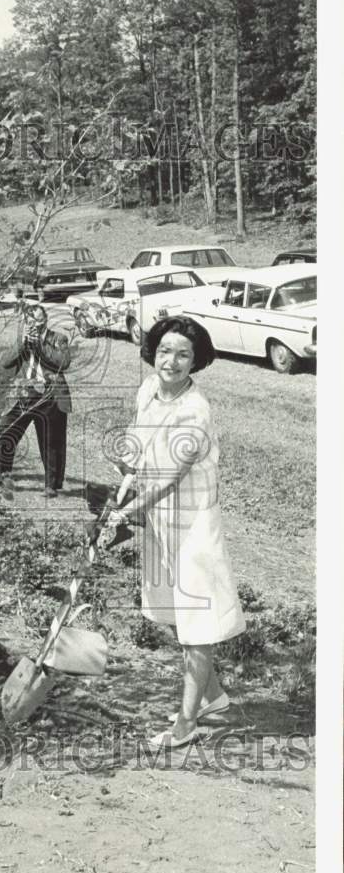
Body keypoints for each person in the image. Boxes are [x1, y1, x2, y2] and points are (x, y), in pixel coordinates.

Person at [103, 316, 245, 749]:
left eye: (184, 354)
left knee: (197, 623)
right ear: (153, 351)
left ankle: (186, 724)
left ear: (196, 361)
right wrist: (126, 465)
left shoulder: (194, 411)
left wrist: (127, 513)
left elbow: (167, 478)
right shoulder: (148, 389)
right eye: (165, 350)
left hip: (194, 525)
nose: (172, 360)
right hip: (161, 520)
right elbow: (137, 442)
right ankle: (213, 696)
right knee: (177, 615)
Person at [0, 302, 71, 497]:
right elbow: (6, 363)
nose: (32, 325)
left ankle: (51, 485)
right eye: (28, 321)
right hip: (25, 393)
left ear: (45, 320)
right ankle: (4, 474)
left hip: (50, 394)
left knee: (50, 441)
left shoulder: (58, 338)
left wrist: (39, 347)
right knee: (6, 429)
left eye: (35, 320)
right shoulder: (23, 340)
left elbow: (63, 362)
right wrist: (23, 343)